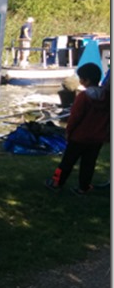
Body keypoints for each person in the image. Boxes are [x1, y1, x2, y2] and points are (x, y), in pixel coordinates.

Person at [45, 63, 110, 195]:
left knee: (67, 162)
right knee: (89, 163)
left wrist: (68, 131)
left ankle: (57, 183)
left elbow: (75, 117)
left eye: (81, 78)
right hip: (97, 138)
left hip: (79, 137)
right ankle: (83, 187)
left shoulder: (83, 97)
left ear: (86, 80)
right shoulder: (107, 97)